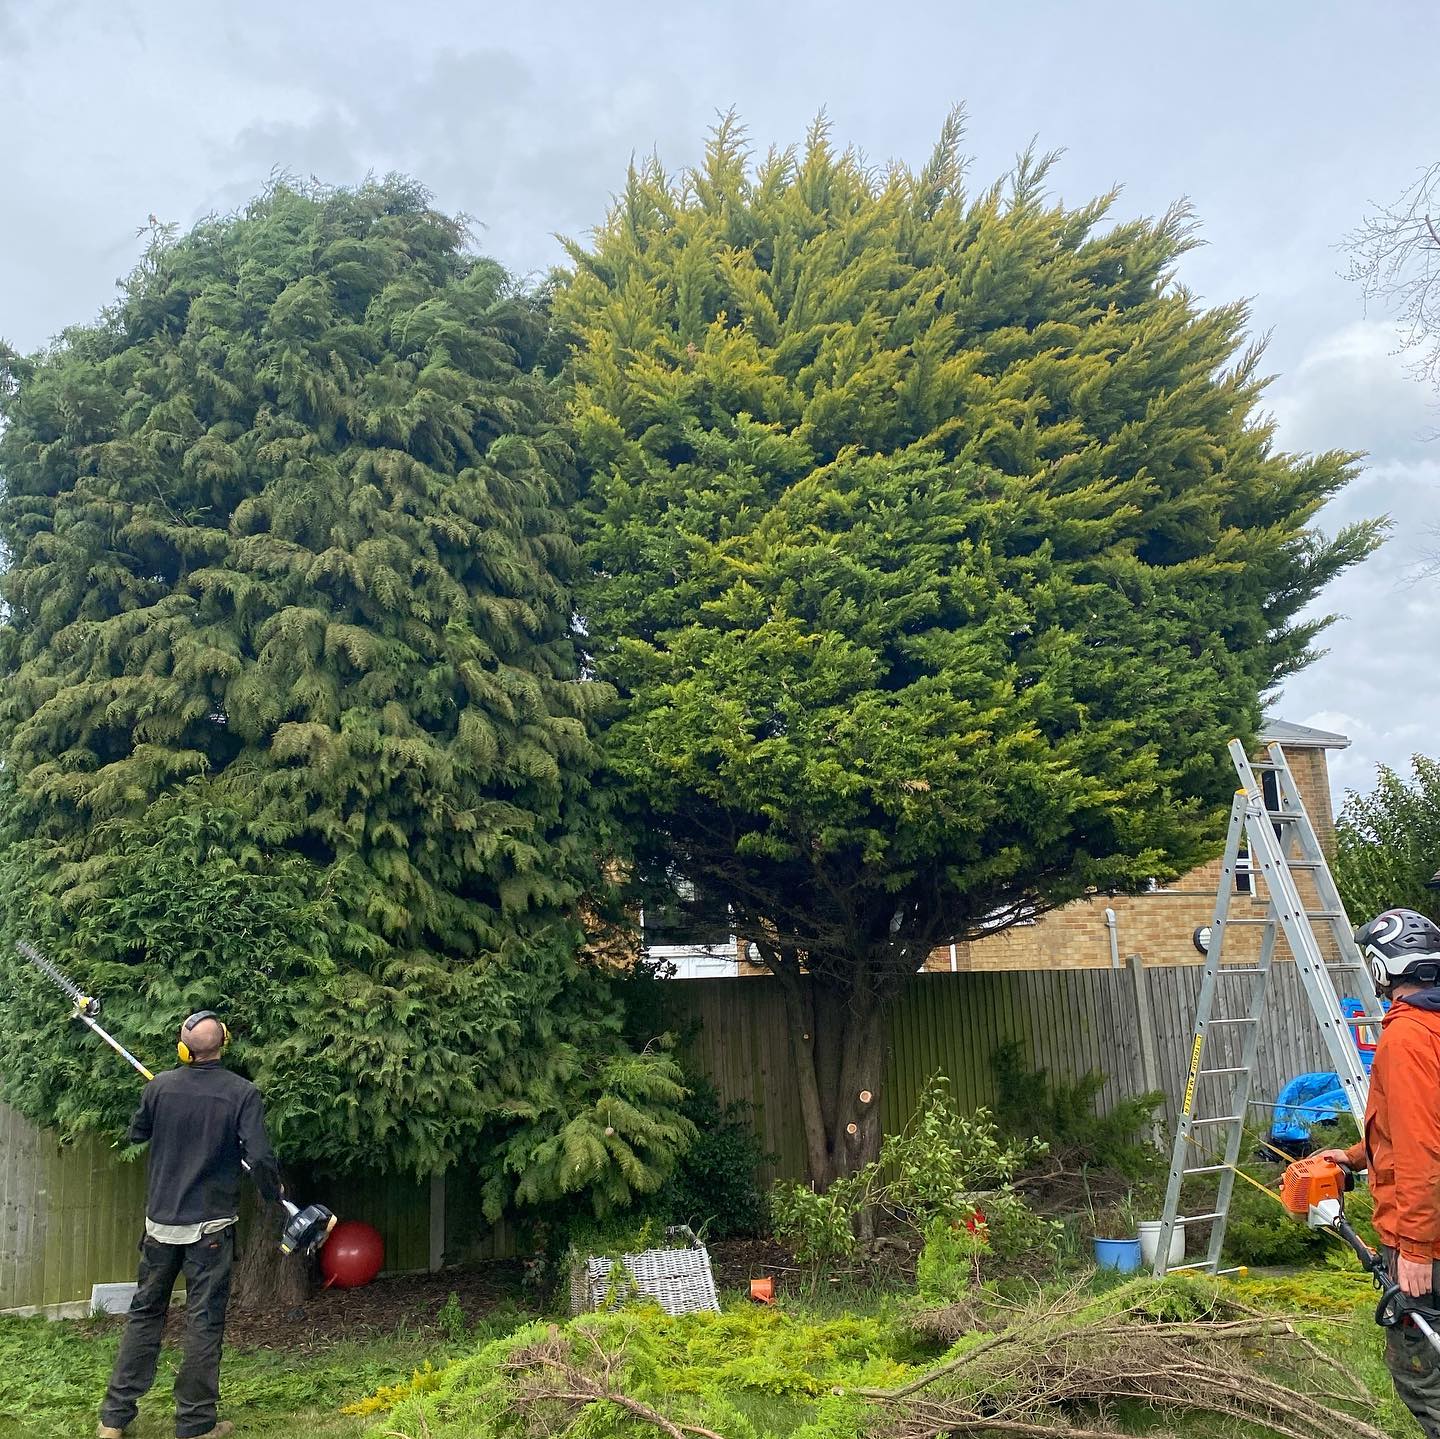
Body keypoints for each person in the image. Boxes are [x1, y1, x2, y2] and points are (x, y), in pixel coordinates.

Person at [98, 1011, 282, 1439]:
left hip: (160, 1226)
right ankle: (196, 1425)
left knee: (144, 1316)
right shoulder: (242, 1094)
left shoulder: (159, 1087)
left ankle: (113, 1420)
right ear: (224, 1043)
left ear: (184, 1049)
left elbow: (136, 1134)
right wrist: (274, 1193)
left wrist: (163, 1103)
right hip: (210, 1231)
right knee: (203, 1322)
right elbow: (259, 1157)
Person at [1312, 908, 1440, 1437]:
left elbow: (1420, 1147)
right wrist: (1351, 1155)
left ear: (1383, 967)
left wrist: (1413, 1247)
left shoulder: (1407, 1036)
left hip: (1427, 1239)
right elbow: (1409, 1125)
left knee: (1421, 1374)